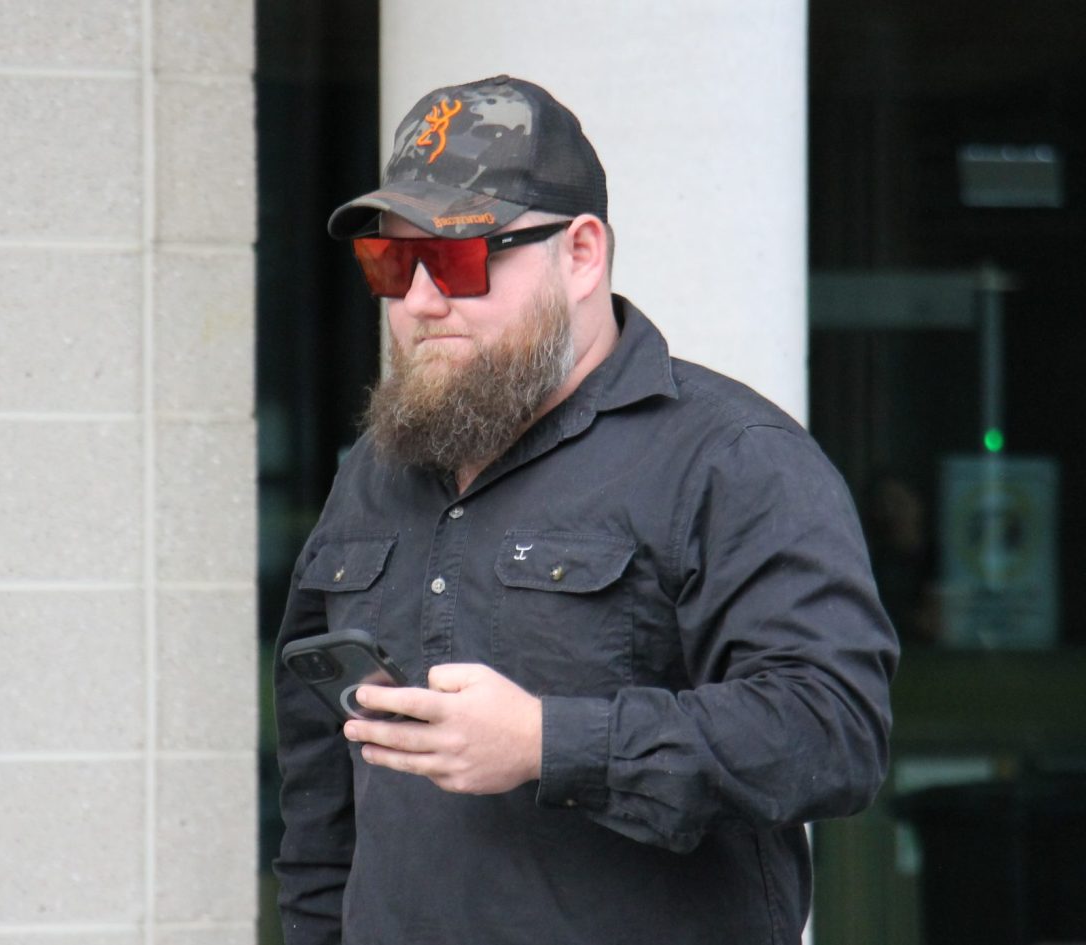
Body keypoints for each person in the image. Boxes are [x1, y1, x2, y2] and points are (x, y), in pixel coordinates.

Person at [274, 74, 898, 945]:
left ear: (581, 254)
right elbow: (321, 790)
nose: (420, 300)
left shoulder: (730, 457)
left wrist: (546, 741)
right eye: (392, 262)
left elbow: (832, 729)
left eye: (457, 257)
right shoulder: (382, 467)